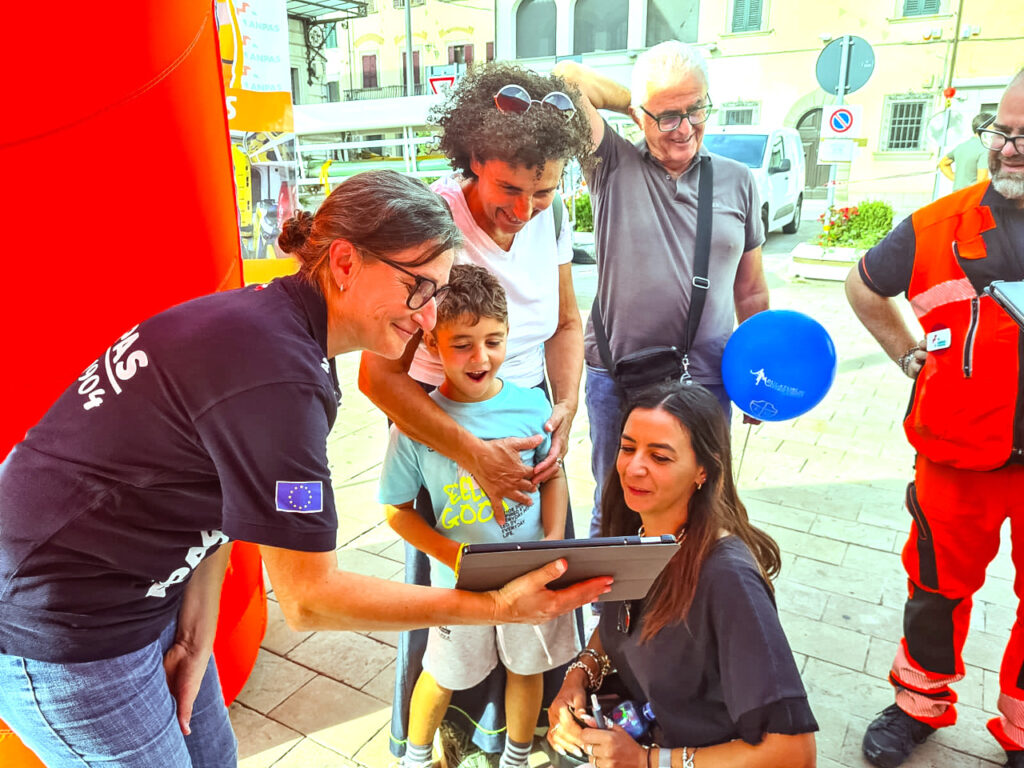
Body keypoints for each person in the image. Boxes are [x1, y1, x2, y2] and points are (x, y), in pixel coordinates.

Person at [0, 170, 609, 768]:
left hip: (147, 599)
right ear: (344, 262)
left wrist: (193, 632)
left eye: (437, 295)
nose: (427, 318)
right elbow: (311, 599)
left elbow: (220, 493)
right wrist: (498, 608)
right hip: (61, 624)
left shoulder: (281, 331)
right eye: (419, 288)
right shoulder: (278, 377)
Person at [357, 62, 593, 759]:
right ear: (473, 161)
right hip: (445, 433)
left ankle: (512, 738)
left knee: (531, 599)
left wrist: (565, 407)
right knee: (453, 612)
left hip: (525, 421)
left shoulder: (552, 218)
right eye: (508, 190)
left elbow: (566, 325)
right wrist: (471, 454)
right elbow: (377, 376)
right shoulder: (433, 221)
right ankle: (436, 736)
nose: (525, 210)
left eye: (543, 191)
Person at [846, 71, 1024, 768]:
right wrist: (906, 353)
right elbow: (863, 284)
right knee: (935, 591)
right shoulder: (939, 226)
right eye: (1002, 131)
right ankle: (919, 702)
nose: (1009, 148)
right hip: (956, 453)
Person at [553, 41, 770, 539]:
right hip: (619, 377)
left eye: (697, 109)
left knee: (704, 509)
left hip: (709, 380)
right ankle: (615, 593)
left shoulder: (738, 181)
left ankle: (688, 590)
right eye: (668, 116)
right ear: (641, 114)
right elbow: (566, 77)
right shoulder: (610, 162)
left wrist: (758, 378)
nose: (685, 128)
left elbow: (752, 292)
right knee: (616, 506)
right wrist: (635, 103)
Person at [545, 381, 818, 768]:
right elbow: (620, 626)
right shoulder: (635, 530)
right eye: (627, 448)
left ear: (703, 470)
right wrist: (578, 675)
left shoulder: (729, 579)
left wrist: (649, 760)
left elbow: (794, 752)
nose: (634, 468)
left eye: (660, 457)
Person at [381, 264, 578, 768]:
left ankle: (515, 758)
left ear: (509, 335)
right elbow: (396, 511)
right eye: (462, 344)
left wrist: (553, 541)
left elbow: (552, 476)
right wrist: (452, 556)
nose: (480, 357)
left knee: (526, 668)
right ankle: (415, 758)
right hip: (458, 584)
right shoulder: (417, 425)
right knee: (442, 673)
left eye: (493, 341)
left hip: (530, 572)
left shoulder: (532, 406)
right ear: (431, 343)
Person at [938, 111, 993, 191]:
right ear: (987, 128)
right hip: (972, 195)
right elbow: (982, 180)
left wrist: (956, 179)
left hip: (957, 194)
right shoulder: (984, 149)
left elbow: (943, 163)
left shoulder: (960, 147)